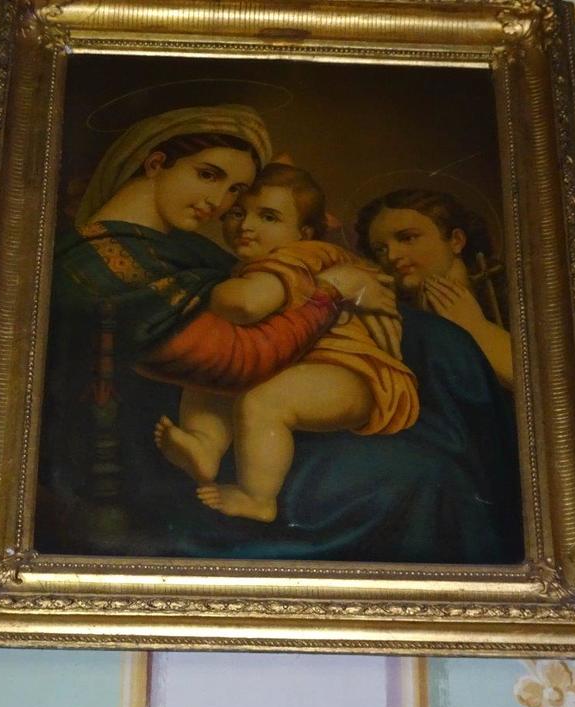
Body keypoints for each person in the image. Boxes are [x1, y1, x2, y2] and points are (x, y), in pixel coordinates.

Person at [39, 106, 523, 564]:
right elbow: (234, 356)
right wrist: (333, 292)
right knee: (427, 474)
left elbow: (264, 303)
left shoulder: (189, 248)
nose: (220, 204)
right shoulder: (96, 263)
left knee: (444, 408)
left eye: (234, 190)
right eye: (209, 175)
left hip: (314, 388)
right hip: (169, 446)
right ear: (155, 163)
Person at [154, 164, 419, 522]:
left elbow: (244, 304)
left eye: (268, 217)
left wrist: (208, 293)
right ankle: (204, 443)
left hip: (352, 375)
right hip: (291, 367)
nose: (246, 226)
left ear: (303, 232)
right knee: (215, 365)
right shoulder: (264, 262)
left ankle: (258, 498)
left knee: (263, 400)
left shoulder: (299, 257)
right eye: (237, 213)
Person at [355, 189, 514, 388]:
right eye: (380, 249)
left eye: (408, 238)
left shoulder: (508, 294)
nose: (392, 256)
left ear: (456, 240)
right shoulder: (394, 318)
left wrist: (476, 327)